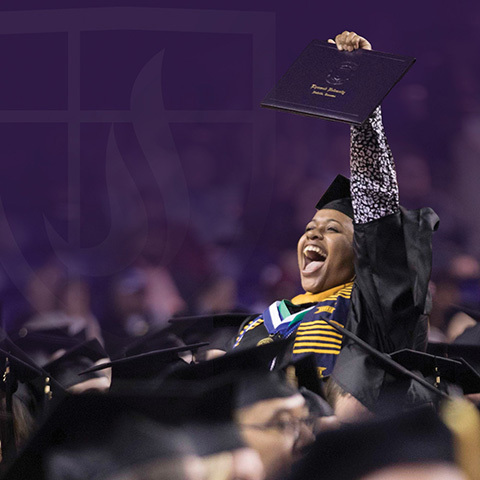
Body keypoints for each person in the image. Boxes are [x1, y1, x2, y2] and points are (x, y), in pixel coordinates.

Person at [233, 31, 439, 414]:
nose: (313, 232)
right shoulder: (259, 325)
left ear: (363, 253)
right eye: (311, 226)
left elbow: (377, 205)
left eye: (332, 229)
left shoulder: (369, 310)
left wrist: (364, 98)